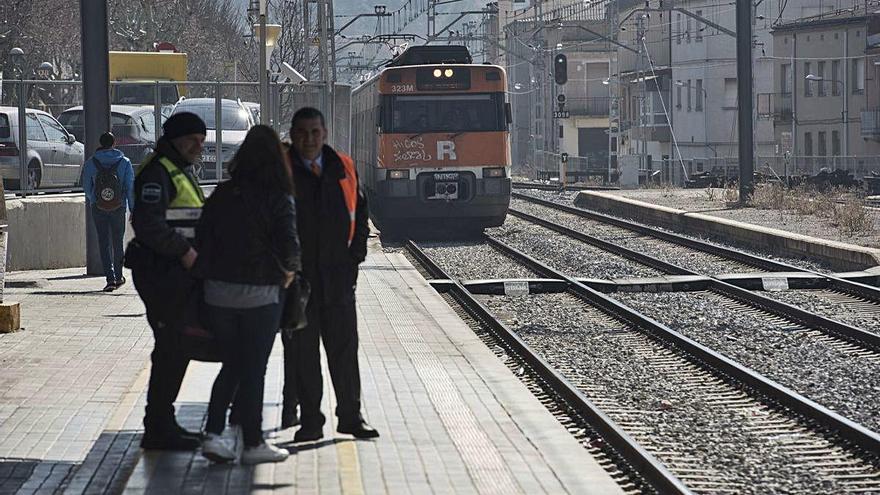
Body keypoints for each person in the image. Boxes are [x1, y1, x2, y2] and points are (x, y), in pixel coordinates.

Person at [194, 125, 301, 464]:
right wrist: (287, 273)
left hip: (218, 295)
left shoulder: (223, 193)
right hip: (260, 295)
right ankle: (254, 444)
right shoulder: (278, 196)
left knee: (234, 364)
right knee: (254, 369)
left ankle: (213, 434)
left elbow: (202, 240)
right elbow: (290, 246)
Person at [282, 107, 378, 443]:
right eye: (303, 133)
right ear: (293, 134)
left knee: (344, 351)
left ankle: (351, 417)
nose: (309, 140)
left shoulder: (344, 167)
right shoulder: (281, 171)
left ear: (324, 134)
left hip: (338, 278)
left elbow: (361, 212)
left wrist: (356, 257)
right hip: (298, 282)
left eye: (315, 133)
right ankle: (311, 421)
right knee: (304, 354)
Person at [125, 112, 206, 450]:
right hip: (161, 272)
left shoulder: (179, 170)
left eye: (201, 142)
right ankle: (158, 426)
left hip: (173, 274)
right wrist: (186, 252)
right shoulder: (158, 173)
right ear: (174, 138)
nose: (198, 148)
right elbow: (149, 224)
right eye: (192, 140)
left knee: (175, 347)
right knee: (172, 346)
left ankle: (161, 421)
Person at [82, 132, 134, 292]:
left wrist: (95, 200)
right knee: (118, 242)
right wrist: (132, 208)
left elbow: (86, 186)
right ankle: (119, 277)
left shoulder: (91, 163)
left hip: (98, 208)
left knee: (103, 243)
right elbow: (130, 187)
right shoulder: (125, 162)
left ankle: (110, 279)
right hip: (119, 207)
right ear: (114, 143)